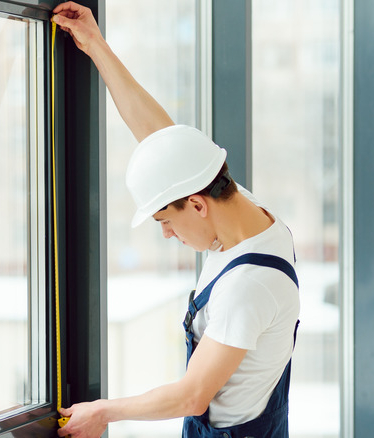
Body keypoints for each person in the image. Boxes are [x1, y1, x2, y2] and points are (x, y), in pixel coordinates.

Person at [52, 2, 300, 437]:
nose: (167, 233)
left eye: (165, 220)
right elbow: (163, 143)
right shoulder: (243, 209)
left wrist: (102, 412)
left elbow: (192, 396)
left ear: (198, 204)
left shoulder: (249, 287)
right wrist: (95, 46)